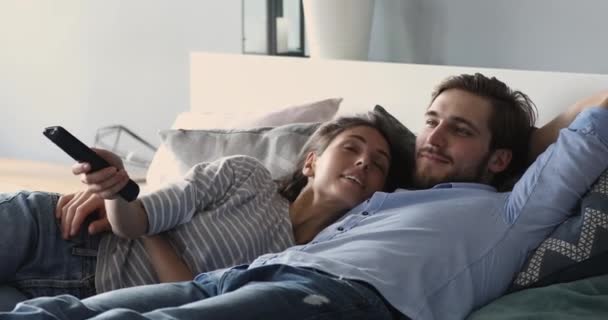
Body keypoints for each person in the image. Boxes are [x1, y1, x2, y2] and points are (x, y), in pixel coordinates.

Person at [4, 74, 608, 320]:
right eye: (431, 120)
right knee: (67, 313)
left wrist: (521, 142)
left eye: (461, 129)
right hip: (258, 271)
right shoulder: (389, 195)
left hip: (332, 298)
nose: (434, 137)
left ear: (503, 159)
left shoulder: (509, 208)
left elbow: (589, 119)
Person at [0, 113, 408, 303]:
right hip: (56, 231)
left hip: (80, 301)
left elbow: (189, 298)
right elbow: (133, 219)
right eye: (351, 148)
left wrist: (151, 230)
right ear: (311, 162)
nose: (363, 162)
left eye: (379, 164)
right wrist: (115, 186)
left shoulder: (297, 266)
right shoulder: (246, 176)